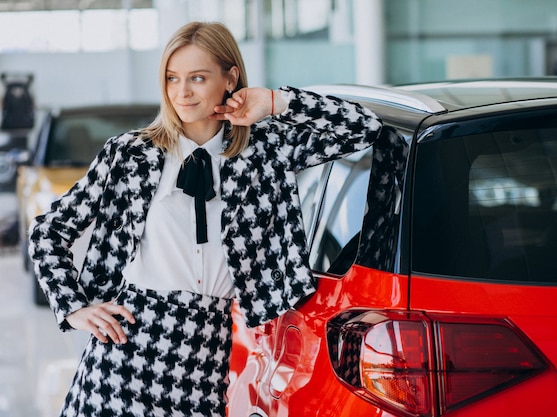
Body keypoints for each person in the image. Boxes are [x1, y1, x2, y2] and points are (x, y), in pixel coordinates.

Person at [29, 21, 382, 417]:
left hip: (207, 350)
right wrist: (73, 307)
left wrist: (273, 101)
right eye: (172, 78)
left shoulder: (265, 150)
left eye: (197, 77)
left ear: (230, 77)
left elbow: (363, 128)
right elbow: (48, 232)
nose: (182, 92)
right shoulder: (132, 155)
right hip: (127, 349)